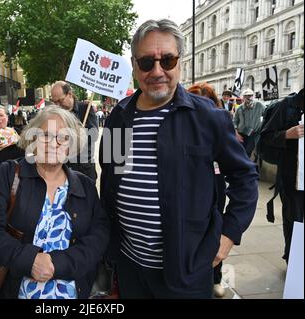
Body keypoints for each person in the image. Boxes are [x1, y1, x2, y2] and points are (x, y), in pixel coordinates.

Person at [99, 19, 258, 299]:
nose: (157, 71)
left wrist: (228, 236)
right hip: (129, 266)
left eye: (168, 60)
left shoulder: (207, 117)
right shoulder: (119, 118)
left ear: (180, 62)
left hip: (187, 271)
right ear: (135, 66)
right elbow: (113, 178)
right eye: (147, 62)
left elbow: (244, 177)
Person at [0, 106, 110, 299]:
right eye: (45, 135)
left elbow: (99, 235)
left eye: (63, 137)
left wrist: (58, 263)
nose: (53, 144)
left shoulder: (85, 186)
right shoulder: (8, 174)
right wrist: (30, 260)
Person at [187, 82, 228, 298]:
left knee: (215, 228)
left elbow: (243, 172)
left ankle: (216, 277)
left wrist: (230, 235)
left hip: (216, 184)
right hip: (189, 190)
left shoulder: (220, 124)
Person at [259, 88, 304, 263]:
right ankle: (294, 263)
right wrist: (287, 134)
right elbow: (263, 141)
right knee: (294, 222)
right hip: (293, 180)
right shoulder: (287, 106)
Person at [50, 81, 99, 181]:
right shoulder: (56, 114)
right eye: (55, 102)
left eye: (60, 101)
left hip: (84, 167)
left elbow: (94, 135)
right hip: (63, 166)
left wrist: (77, 134)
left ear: (69, 94)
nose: (58, 105)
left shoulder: (86, 108)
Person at [233, 88, 265, 159]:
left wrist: (262, 126)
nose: (248, 97)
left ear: (253, 96)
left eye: (250, 95)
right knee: (239, 151)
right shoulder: (240, 108)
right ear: (243, 97)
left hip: (253, 133)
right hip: (241, 133)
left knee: (247, 152)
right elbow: (234, 122)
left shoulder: (259, 105)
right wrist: (237, 134)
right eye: (246, 96)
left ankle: (245, 167)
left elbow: (267, 114)